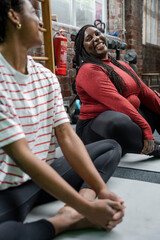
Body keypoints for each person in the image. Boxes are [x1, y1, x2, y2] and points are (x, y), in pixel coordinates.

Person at [0, 1, 125, 239]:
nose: (42, 24)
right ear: (14, 17)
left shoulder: (45, 77)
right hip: (9, 188)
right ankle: (64, 222)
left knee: (110, 147)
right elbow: (22, 156)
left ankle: (72, 209)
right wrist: (86, 209)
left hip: (47, 172)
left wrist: (99, 191)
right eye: (35, 13)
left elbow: (67, 135)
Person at [75, 24, 160, 157]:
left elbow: (144, 91)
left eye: (97, 34)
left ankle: (138, 142)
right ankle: (154, 149)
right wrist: (145, 128)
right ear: (83, 49)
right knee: (117, 120)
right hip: (97, 131)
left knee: (154, 101)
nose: (96, 39)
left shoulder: (122, 65)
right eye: (89, 38)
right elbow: (118, 103)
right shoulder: (88, 70)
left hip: (127, 127)